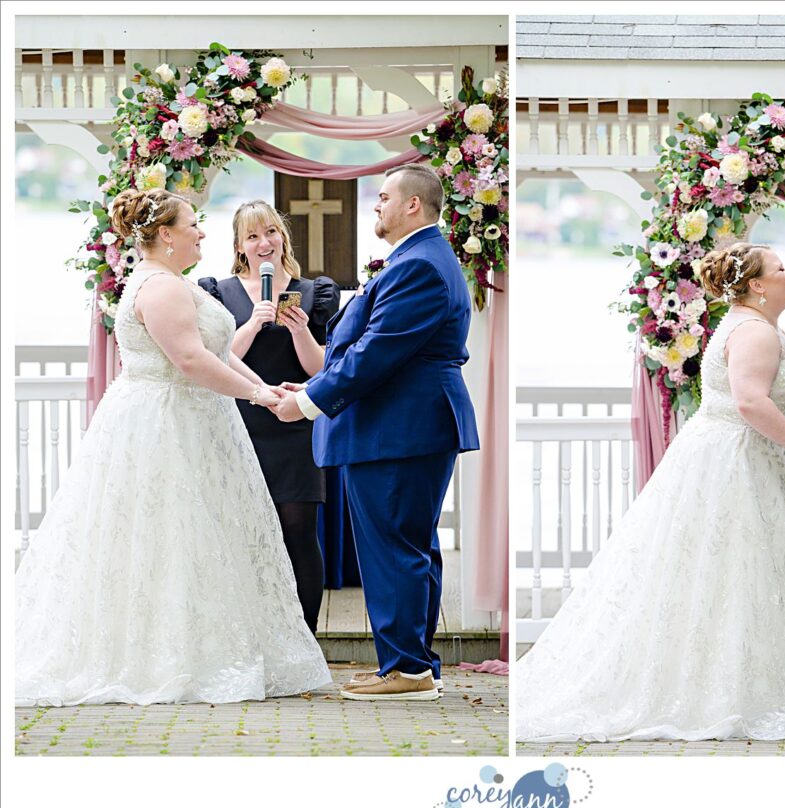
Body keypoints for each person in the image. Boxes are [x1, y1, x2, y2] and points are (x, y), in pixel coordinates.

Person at [516, 242, 785, 742]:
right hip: (740, 461)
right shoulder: (753, 331)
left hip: (742, 458)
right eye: (778, 268)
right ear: (758, 285)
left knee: (738, 575)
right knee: (735, 569)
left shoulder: (756, 324)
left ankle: (746, 681)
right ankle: (725, 693)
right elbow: (748, 401)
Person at [15, 188, 332, 706]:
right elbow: (188, 360)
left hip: (195, 419)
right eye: (193, 225)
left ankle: (199, 644)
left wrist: (267, 390)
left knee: (199, 536)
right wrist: (256, 395)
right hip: (162, 421)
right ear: (165, 234)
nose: (202, 233)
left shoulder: (176, 283)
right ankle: (159, 656)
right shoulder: (159, 287)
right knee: (163, 531)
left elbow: (217, 353)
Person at [273, 163, 479, 701]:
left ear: (413, 205)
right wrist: (317, 380)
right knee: (410, 543)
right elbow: (372, 351)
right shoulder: (420, 259)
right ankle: (415, 663)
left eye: (384, 197)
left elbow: (375, 353)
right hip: (404, 423)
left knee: (393, 546)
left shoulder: (419, 265)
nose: (377, 206)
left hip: (400, 425)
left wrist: (308, 402)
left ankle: (406, 670)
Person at [199, 200, 340, 634]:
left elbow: (320, 370)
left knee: (299, 531)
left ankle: (305, 635)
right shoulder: (217, 294)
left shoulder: (314, 292)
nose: (265, 243)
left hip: (294, 423)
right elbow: (213, 360)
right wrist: (252, 325)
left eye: (271, 233)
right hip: (239, 423)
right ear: (241, 246)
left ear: (283, 238)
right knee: (244, 535)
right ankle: (251, 634)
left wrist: (299, 329)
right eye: (253, 236)